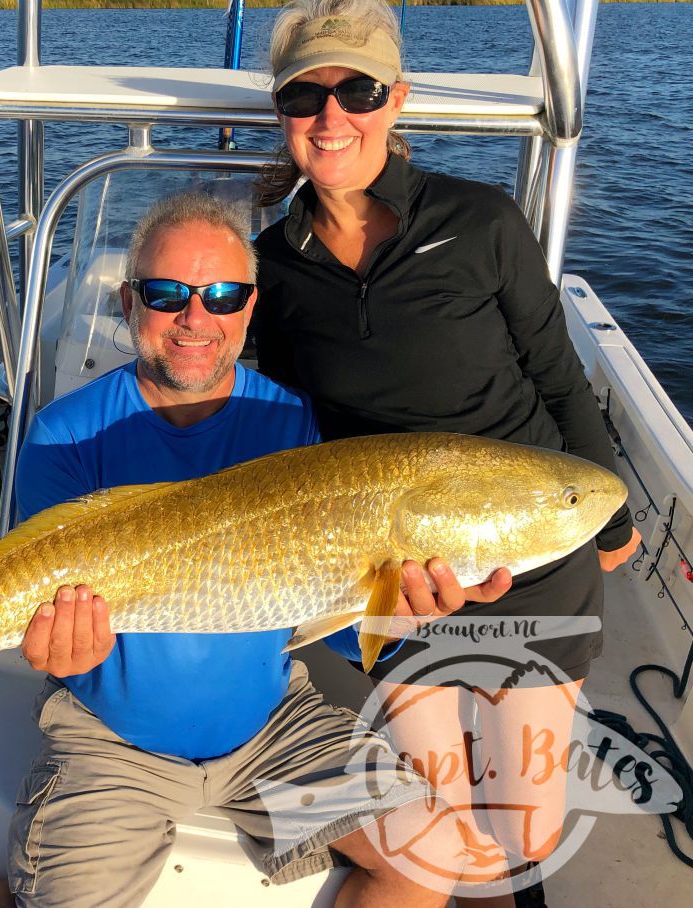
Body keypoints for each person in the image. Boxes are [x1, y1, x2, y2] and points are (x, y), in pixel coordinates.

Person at [0, 192, 512, 908]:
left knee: (431, 852)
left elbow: (342, 598)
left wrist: (405, 606)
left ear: (250, 307)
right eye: (168, 294)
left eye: (223, 296)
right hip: (114, 743)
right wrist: (50, 648)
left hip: (268, 726)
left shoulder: (289, 418)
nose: (196, 319)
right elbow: (46, 612)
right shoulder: (63, 434)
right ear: (128, 301)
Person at [249, 0, 642, 903]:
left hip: (528, 550)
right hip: (395, 569)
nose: (331, 115)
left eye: (358, 88)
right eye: (305, 96)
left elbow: (555, 369)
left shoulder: (481, 220)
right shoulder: (273, 264)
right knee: (449, 826)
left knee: (529, 829)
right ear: (283, 115)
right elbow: (281, 425)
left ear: (398, 100)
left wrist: (609, 508)